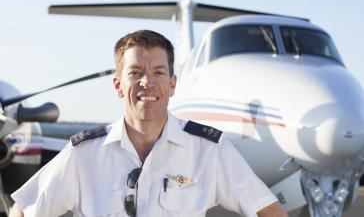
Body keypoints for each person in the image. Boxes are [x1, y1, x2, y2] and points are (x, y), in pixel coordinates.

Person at [10, 30, 287, 217]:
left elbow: (268, 210)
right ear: (119, 86)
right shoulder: (83, 154)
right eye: (135, 73)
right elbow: (23, 210)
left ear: (172, 83)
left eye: (158, 72)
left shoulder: (209, 151)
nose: (147, 82)